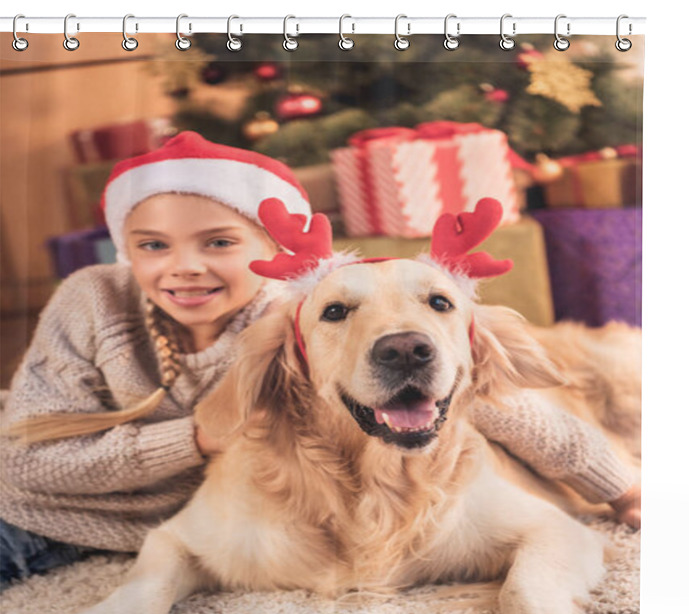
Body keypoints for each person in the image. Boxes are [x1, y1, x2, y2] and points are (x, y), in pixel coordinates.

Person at [0, 131, 640, 590]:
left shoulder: (306, 316)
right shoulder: (93, 299)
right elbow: (20, 461)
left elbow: (494, 406)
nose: (184, 266)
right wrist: (195, 438)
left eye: (219, 242)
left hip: (202, 523)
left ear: (269, 249)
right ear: (125, 250)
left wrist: (617, 484)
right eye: (152, 245)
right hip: (38, 507)